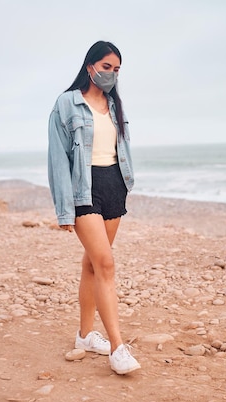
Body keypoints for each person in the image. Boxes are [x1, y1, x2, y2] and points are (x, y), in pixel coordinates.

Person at [47, 41, 140, 375]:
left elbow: (120, 148)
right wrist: (63, 209)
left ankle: (85, 335)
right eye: (106, 67)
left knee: (92, 266)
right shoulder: (66, 104)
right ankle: (117, 347)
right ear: (90, 67)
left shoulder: (115, 105)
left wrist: (126, 184)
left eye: (116, 70)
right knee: (106, 264)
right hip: (83, 190)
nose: (111, 75)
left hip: (114, 185)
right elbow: (58, 159)